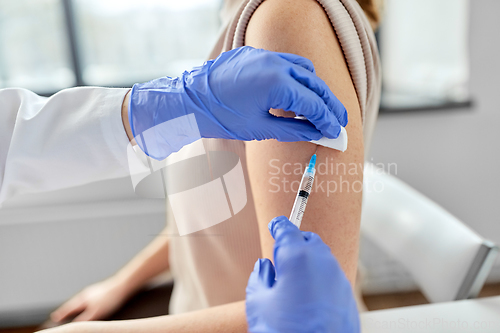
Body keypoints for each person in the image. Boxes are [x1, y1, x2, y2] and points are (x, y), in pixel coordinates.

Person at [10, 0, 382, 331]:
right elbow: (211, 222)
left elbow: (309, 305)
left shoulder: (286, 20)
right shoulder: (245, 20)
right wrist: (123, 281)